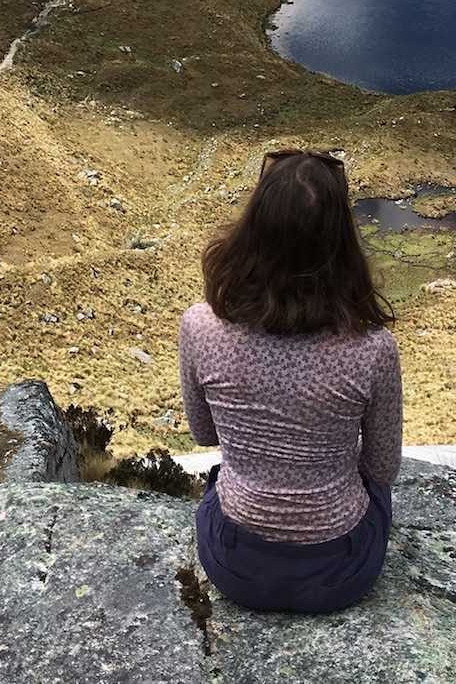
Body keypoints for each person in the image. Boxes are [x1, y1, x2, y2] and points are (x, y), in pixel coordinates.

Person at [178, 148, 401, 614]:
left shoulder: (200, 326)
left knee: (223, 478)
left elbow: (204, 434)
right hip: (342, 571)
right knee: (373, 496)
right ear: (341, 244)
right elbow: (381, 470)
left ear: (252, 230)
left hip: (234, 564)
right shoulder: (374, 347)